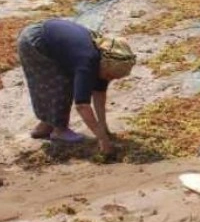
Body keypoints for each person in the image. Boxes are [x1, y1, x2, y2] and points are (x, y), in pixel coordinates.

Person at [17, 19, 136, 155]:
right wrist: (102, 139)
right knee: (59, 85)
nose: (110, 79)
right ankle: (59, 131)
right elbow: (82, 105)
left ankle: (45, 127)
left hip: (50, 39)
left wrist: (103, 127)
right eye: (110, 76)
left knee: (64, 82)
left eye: (114, 78)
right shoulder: (87, 62)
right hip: (34, 43)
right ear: (105, 66)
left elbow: (99, 93)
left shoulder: (104, 59)